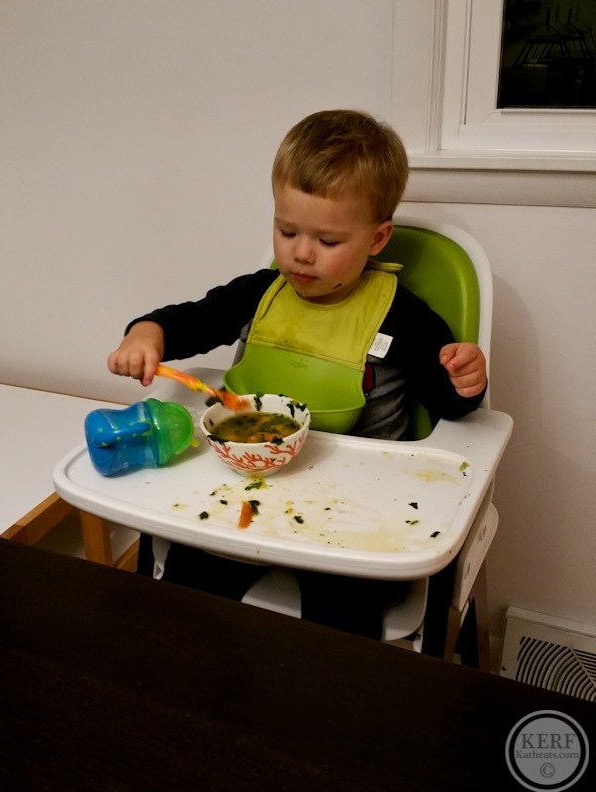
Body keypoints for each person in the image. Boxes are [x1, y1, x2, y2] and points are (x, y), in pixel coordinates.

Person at [108, 109, 487, 638]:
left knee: (343, 616)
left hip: (354, 506)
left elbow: (449, 404)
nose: (301, 254)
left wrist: (465, 382)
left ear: (377, 238)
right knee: (186, 584)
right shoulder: (261, 292)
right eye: (287, 231)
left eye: (328, 242)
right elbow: (194, 320)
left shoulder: (401, 316)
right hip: (247, 485)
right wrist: (148, 333)